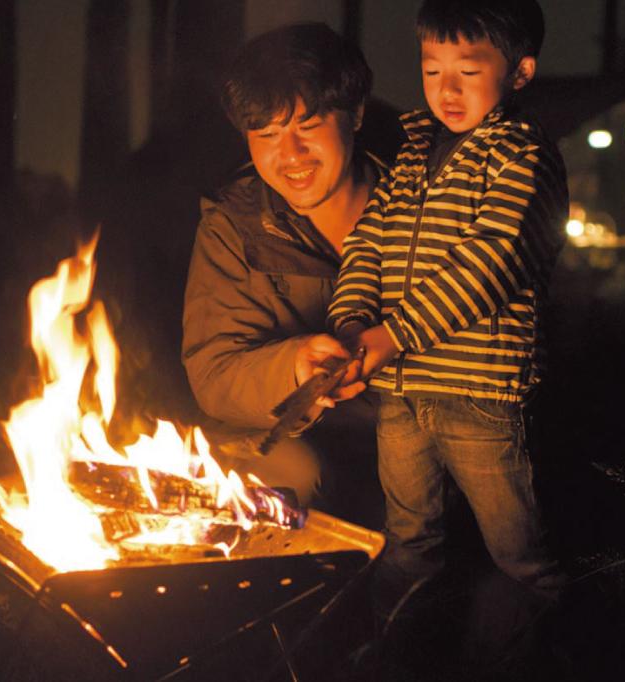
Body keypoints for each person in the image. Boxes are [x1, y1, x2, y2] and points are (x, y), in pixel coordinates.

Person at [324, 0, 569, 613]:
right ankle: (403, 649)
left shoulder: (523, 156)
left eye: (468, 69)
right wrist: (353, 323)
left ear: (519, 72)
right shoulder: (413, 156)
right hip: (402, 395)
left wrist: (392, 335)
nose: (446, 89)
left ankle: (563, 647)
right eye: (432, 70)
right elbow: (368, 240)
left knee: (519, 553)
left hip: (481, 392)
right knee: (408, 542)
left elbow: (491, 262)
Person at [181, 23, 401, 517]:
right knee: (296, 476)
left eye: (309, 125)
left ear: (355, 114)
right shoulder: (235, 226)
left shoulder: (419, 206)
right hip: (292, 438)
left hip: (409, 431)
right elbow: (214, 373)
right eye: (267, 133)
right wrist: (294, 366)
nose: (291, 154)